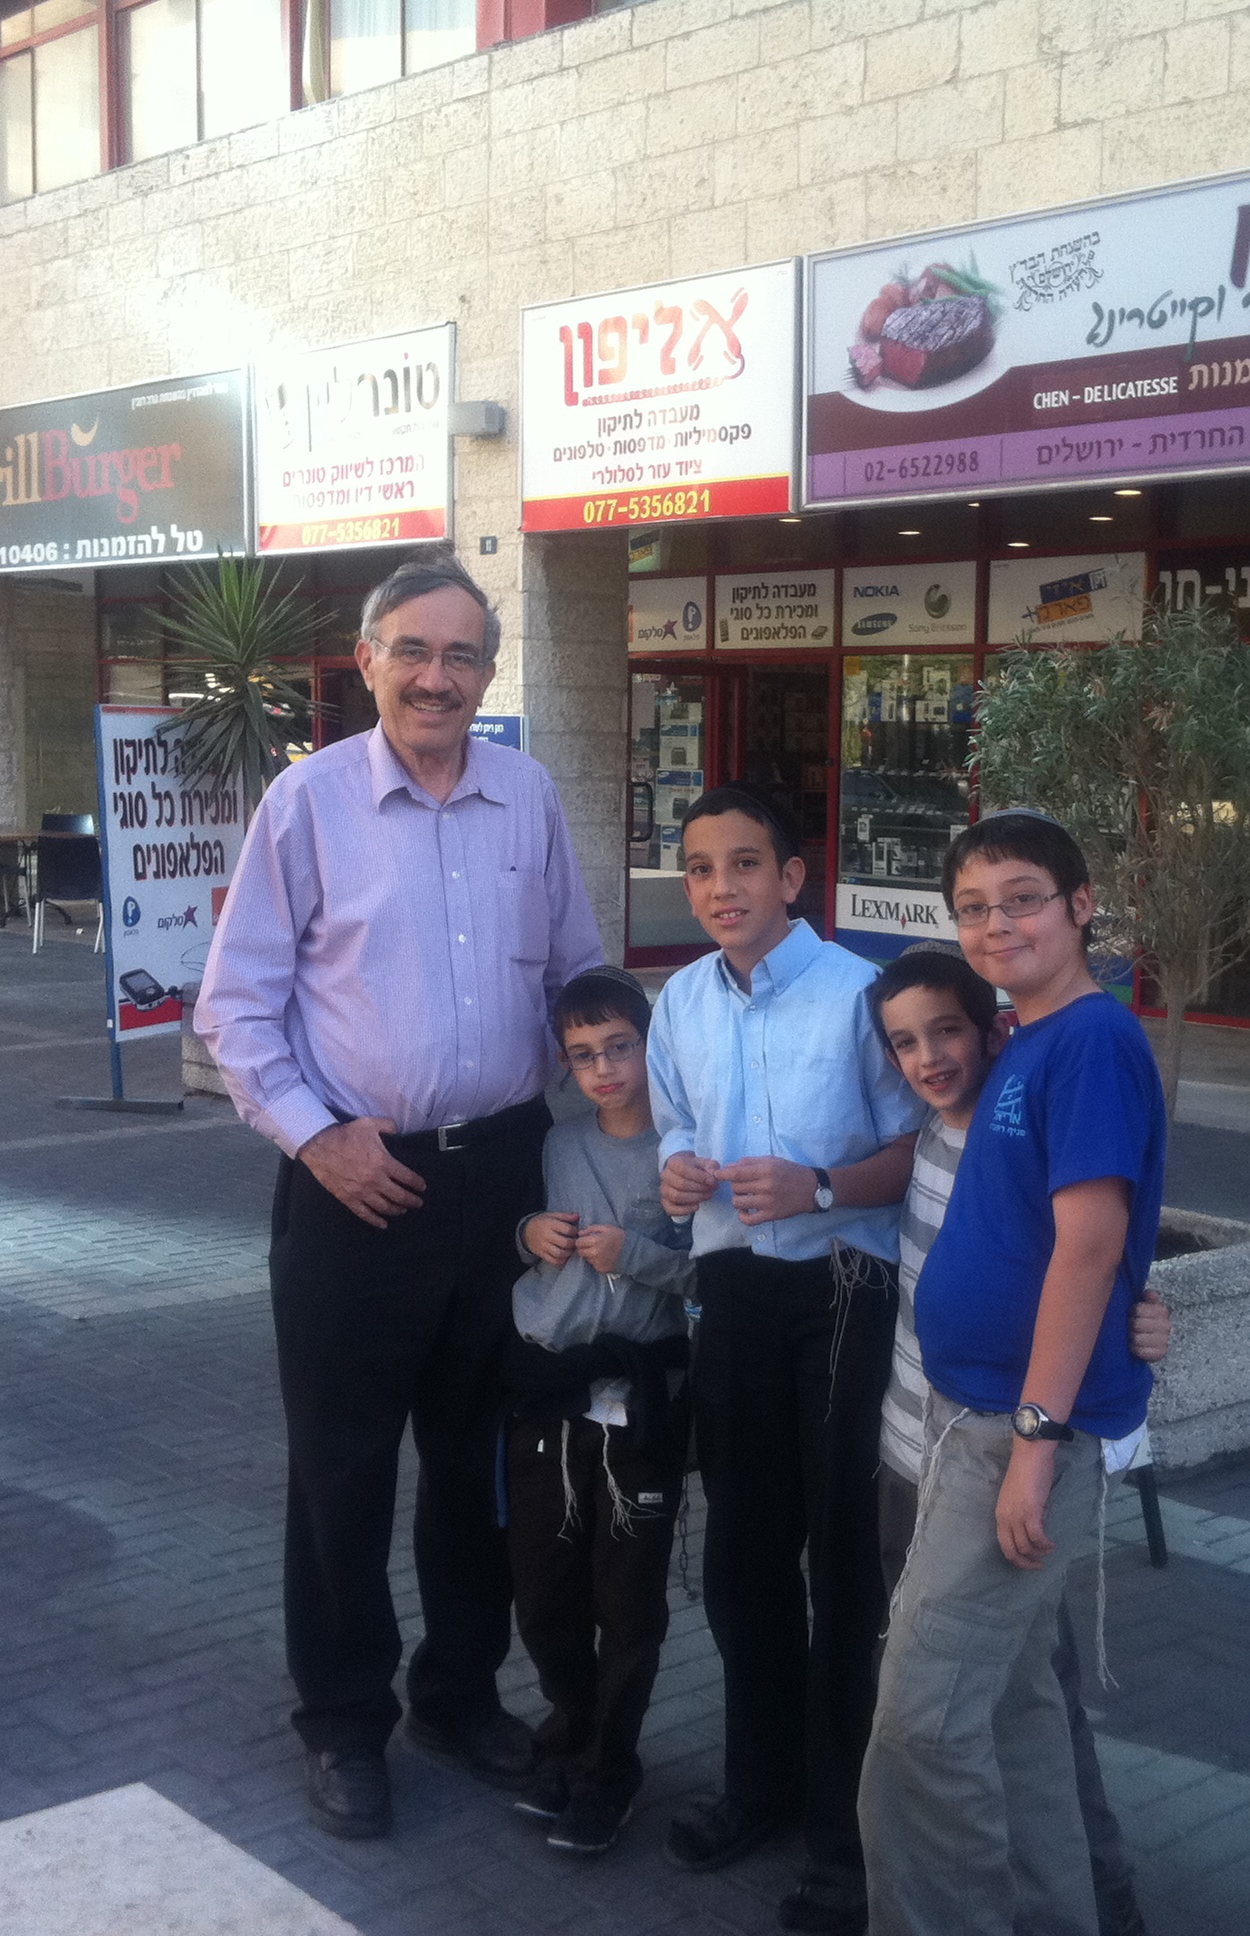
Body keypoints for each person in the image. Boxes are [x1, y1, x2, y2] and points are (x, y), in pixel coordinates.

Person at [194, 550, 603, 1841]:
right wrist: (320, 1140)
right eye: (413, 651)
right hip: (356, 1188)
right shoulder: (308, 803)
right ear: (367, 660)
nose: (437, 676)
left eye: (462, 654)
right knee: (344, 1470)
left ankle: (456, 1693)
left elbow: (581, 978)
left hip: (509, 1185)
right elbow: (235, 1008)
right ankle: (342, 1720)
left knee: (479, 1466)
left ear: (489, 672)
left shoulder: (528, 796)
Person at [859, 811, 1168, 1936]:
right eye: (975, 908)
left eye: (1024, 898)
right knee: (1017, 1709)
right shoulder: (1022, 1041)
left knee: (921, 1724)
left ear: (1082, 906)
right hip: (968, 1421)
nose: (998, 923)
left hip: (1010, 1432)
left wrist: (1036, 1440)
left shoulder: (1090, 1041)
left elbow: (1091, 1245)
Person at [645, 783, 922, 1936]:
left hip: (843, 1294)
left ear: (794, 877)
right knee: (742, 1556)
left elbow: (918, 1146)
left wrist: (818, 1185)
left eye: (746, 863)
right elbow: (674, 1121)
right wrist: (674, 1168)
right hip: (732, 1295)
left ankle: (843, 1834)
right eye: (701, 868)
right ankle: (755, 1784)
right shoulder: (678, 1002)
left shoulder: (862, 996)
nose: (722, 888)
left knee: (844, 1565)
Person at [504, 967, 694, 1859]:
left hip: (635, 1406)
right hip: (549, 1397)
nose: (604, 1069)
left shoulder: (683, 1153)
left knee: (626, 1604)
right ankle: (569, 1735)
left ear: (652, 1045)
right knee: (544, 1592)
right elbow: (527, 1243)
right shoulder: (559, 1142)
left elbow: (707, 1275)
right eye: (583, 1055)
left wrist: (640, 1255)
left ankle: (610, 1768)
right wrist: (528, 1236)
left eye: (619, 1047)